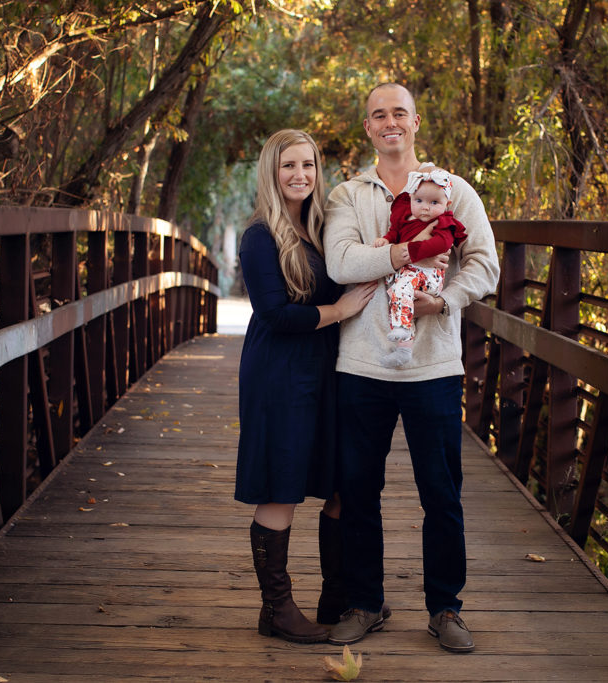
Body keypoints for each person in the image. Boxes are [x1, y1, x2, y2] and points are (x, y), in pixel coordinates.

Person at [323, 84, 501, 653]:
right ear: (369, 127)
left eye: (399, 112)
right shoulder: (349, 195)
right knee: (357, 488)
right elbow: (341, 262)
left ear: (416, 121)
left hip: (433, 366)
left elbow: (484, 265)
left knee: (441, 493)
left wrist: (444, 301)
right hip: (363, 364)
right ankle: (364, 603)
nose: (389, 122)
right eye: (379, 115)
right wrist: (405, 253)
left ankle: (445, 609)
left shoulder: (453, 190)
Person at [234, 129, 377, 644]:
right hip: (280, 373)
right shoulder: (259, 237)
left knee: (338, 483)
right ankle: (276, 609)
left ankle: (335, 600)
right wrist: (338, 311)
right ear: (272, 173)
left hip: (327, 370)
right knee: (282, 485)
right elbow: (273, 314)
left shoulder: (322, 229)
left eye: (309, 165)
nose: (300, 175)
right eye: (288, 166)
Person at [372, 166, 468, 367]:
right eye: (419, 201)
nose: (425, 207)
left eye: (434, 202)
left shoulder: (444, 222)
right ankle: (404, 349)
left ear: (446, 204)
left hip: (429, 276)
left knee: (400, 289)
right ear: (411, 198)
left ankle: (402, 330)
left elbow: (442, 244)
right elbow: (394, 235)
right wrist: (385, 240)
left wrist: (412, 251)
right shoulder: (406, 218)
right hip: (411, 273)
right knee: (398, 295)